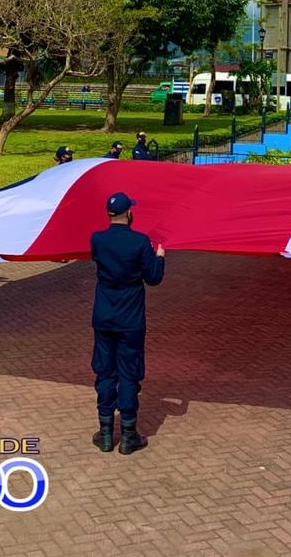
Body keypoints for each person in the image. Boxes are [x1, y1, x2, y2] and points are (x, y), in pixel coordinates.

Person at [90, 191, 165, 454]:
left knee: (105, 371)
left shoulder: (97, 239)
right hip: (130, 318)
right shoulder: (139, 242)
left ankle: (107, 432)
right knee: (129, 371)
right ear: (129, 213)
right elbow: (153, 278)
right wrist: (159, 257)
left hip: (103, 315)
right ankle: (130, 435)